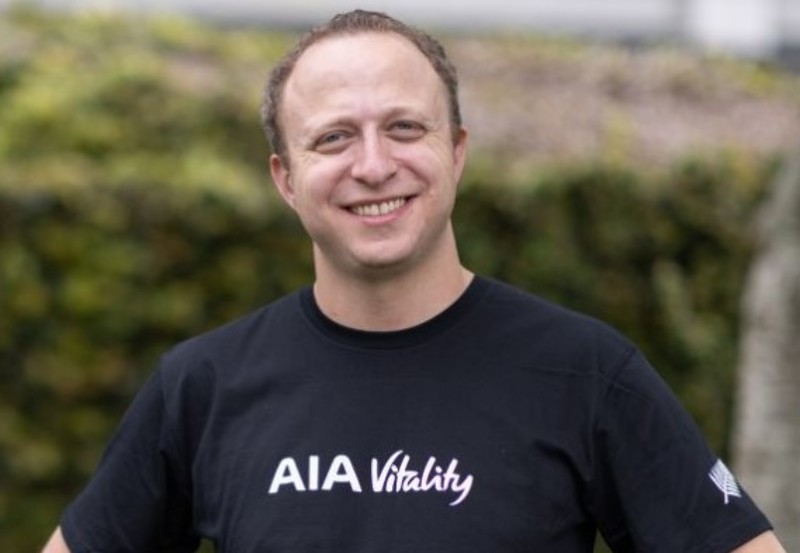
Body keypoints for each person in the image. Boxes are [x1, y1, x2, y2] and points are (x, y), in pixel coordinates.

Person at [43, 9, 786, 553]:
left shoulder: (584, 372)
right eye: (334, 137)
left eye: (404, 128)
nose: (373, 165)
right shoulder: (203, 386)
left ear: (456, 151)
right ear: (286, 179)